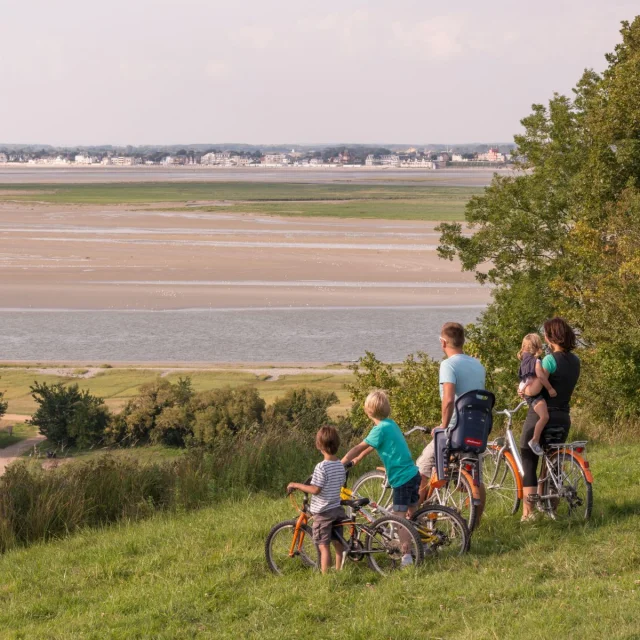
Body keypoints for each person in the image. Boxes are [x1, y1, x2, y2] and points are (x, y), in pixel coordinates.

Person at [341, 390, 421, 568]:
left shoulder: (379, 429)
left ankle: (407, 557)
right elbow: (372, 445)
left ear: (368, 411)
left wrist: (342, 462)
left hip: (401, 479)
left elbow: (359, 446)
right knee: (412, 513)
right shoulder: (390, 424)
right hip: (413, 474)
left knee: (399, 520)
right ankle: (423, 544)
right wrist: (360, 458)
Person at [415, 322, 486, 511]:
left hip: (454, 430)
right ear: (462, 341)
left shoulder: (448, 365)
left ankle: (412, 515)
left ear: (443, 342)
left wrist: (442, 426)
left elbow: (448, 400)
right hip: (477, 430)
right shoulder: (478, 365)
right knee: (477, 479)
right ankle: (474, 524)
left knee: (423, 465)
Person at [520, 318, 580, 522]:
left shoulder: (548, 360)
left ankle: (528, 514)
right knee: (553, 460)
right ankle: (551, 505)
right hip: (564, 417)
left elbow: (536, 388)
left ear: (549, 337)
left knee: (528, 458)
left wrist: (523, 389)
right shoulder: (576, 361)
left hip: (543, 416)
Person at [287, 425, 346, 573]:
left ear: (319, 445)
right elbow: (341, 483)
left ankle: (325, 576)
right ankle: (338, 571)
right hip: (337, 510)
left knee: (323, 545)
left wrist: (297, 485)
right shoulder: (340, 465)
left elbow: (315, 489)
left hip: (323, 513)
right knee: (338, 544)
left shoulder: (321, 467)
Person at [518, 333, 557, 456]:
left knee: (543, 417)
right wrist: (550, 388)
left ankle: (535, 440)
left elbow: (525, 378)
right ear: (537, 346)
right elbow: (540, 376)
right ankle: (534, 440)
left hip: (529, 395)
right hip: (535, 397)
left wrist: (521, 388)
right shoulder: (536, 361)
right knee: (544, 417)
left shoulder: (524, 361)